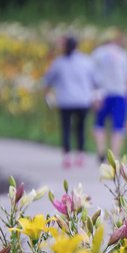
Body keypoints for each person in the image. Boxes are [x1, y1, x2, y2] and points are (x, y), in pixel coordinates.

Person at [42, 35, 96, 168]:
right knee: (80, 128)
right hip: (83, 100)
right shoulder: (86, 61)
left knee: (66, 127)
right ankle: (80, 154)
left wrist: (48, 94)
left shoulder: (59, 62)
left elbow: (47, 80)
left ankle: (66, 156)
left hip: (65, 100)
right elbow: (94, 81)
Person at [90, 30, 127, 163]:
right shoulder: (124, 55)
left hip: (102, 93)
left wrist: (93, 95)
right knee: (119, 126)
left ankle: (101, 150)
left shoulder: (97, 53)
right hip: (120, 93)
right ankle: (114, 155)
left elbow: (92, 76)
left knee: (99, 123)